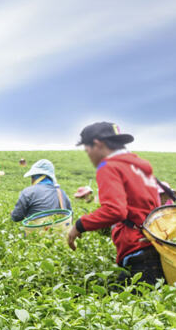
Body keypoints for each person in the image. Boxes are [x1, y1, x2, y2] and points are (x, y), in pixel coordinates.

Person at [65, 122, 164, 284]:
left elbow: (115, 210)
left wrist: (79, 225)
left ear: (97, 144)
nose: (88, 155)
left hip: (136, 249)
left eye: (87, 149)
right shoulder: (140, 165)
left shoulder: (109, 167)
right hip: (154, 244)